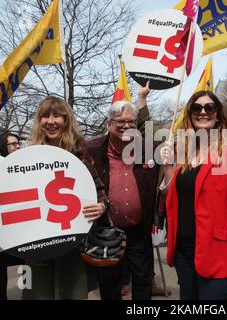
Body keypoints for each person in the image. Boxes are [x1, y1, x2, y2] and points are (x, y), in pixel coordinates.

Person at [0, 96, 108, 300]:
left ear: (66, 120)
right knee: (38, 295)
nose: (50, 121)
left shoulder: (80, 155)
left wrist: (101, 206)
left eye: (57, 115)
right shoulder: (29, 156)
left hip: (72, 243)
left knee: (73, 294)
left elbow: (100, 191)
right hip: (36, 242)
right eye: (45, 116)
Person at [160, 90, 227, 300]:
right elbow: (174, 200)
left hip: (217, 253)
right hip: (184, 252)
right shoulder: (183, 153)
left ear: (218, 114)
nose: (203, 112)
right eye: (196, 108)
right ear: (190, 114)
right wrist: (168, 168)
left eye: (209, 107)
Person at [87, 84, 161, 300]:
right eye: (121, 122)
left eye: (131, 121)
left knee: (143, 283)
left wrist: (142, 100)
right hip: (106, 232)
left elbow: (155, 134)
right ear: (110, 124)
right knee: (109, 286)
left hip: (140, 231)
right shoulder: (91, 150)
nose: (127, 126)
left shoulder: (146, 148)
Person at [0, 132, 24, 300]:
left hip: (25, 223)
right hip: (4, 224)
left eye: (18, 143)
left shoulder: (27, 166)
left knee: (29, 263)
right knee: (0, 264)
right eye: (12, 144)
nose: (17, 146)